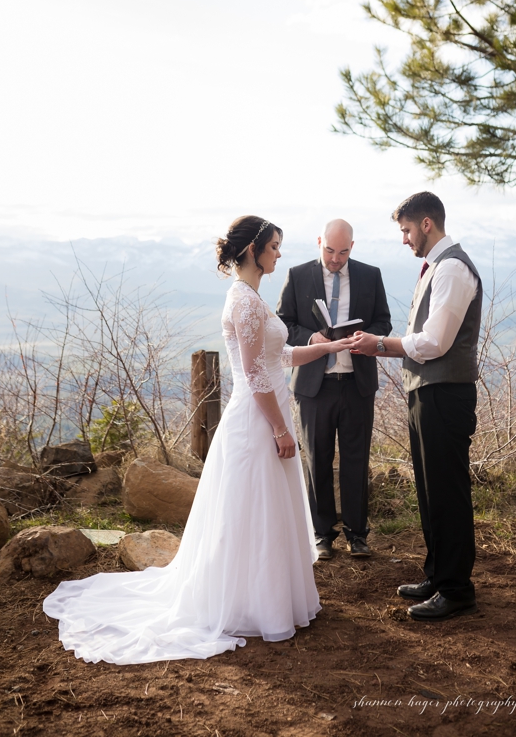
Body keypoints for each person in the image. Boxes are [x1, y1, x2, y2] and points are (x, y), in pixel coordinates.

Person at [41, 216, 354, 663]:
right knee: (250, 510)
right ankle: (245, 604)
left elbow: (280, 356)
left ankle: (267, 599)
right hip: (257, 420)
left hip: (268, 411)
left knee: (265, 510)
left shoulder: (253, 299)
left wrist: (327, 348)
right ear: (253, 251)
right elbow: (254, 376)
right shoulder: (244, 302)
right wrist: (281, 430)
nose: (279, 254)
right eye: (274, 246)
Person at [346, 191, 482, 622]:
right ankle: (438, 575)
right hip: (428, 392)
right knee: (430, 489)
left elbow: (435, 342)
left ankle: (456, 589)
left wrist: (380, 345)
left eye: (406, 230)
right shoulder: (437, 267)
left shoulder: (453, 268)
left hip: (446, 394)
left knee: (447, 491)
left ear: (427, 224)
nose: (404, 239)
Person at [277, 219, 390, 559]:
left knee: (357, 460)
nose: (335, 259)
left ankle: (357, 534)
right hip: (314, 384)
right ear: (319, 242)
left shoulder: (370, 275)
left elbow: (383, 321)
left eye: (342, 252)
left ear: (352, 247)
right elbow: (283, 324)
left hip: (357, 383)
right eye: (329, 250)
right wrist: (312, 338)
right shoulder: (298, 275)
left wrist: (366, 338)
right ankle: (322, 535)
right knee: (317, 460)